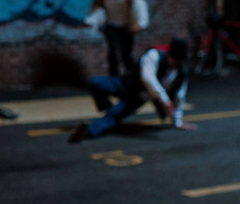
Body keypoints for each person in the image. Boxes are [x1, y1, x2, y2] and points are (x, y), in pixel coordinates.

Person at [68, 38, 196, 143]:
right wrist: (164, 99)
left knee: (113, 115)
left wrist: (177, 122)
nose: (173, 62)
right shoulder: (153, 56)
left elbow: (179, 96)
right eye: (173, 57)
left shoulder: (181, 73)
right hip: (125, 84)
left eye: (177, 60)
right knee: (95, 83)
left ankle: (88, 131)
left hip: (138, 96)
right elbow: (148, 79)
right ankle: (107, 107)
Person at [86, 0, 147, 76]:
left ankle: (133, 77)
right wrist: (90, 21)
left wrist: (140, 23)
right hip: (112, 27)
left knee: (126, 54)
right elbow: (95, 9)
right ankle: (114, 78)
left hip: (127, 27)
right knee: (113, 53)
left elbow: (139, 5)